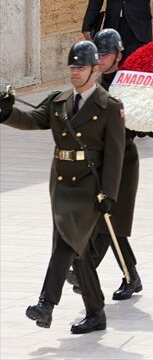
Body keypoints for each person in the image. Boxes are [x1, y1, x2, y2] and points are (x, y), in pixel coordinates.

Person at [1, 41, 125, 334]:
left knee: (65, 242)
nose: (75, 72)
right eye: (72, 67)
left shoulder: (110, 107)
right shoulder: (59, 102)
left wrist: (110, 194)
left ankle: (46, 304)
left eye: (81, 67)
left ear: (96, 70)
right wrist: (7, 112)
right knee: (77, 249)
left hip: (88, 186)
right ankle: (96, 312)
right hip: (61, 183)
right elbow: (33, 120)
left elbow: (116, 154)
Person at [86, 29, 141, 300]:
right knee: (109, 221)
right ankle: (131, 276)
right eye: (98, 54)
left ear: (119, 55)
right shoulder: (93, 83)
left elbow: (138, 123)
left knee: (109, 221)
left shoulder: (129, 83)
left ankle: (83, 269)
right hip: (98, 159)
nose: (101, 59)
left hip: (122, 159)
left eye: (105, 54)